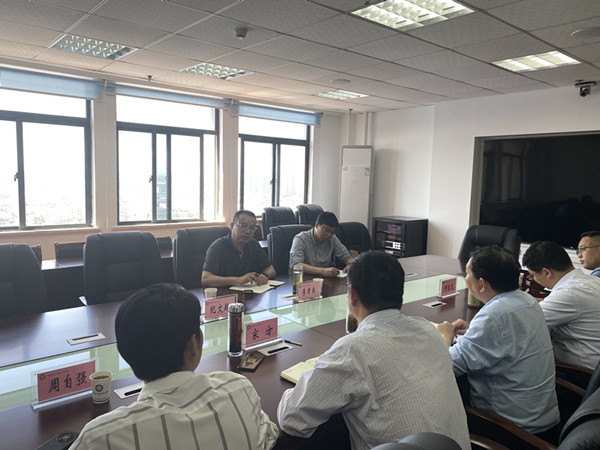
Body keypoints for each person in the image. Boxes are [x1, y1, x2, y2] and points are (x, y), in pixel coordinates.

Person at [278, 251, 471, 450]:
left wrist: (313, 376)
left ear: (351, 294)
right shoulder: (429, 330)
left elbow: (292, 419)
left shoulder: (352, 351)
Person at [70, 283, 278, 450]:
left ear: (125, 351)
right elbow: (268, 434)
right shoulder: (239, 389)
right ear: (193, 345)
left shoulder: (99, 438)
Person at [437, 246, 560, 440]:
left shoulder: (493, 316)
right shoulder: (527, 300)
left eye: (467, 274)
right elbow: (511, 339)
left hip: (511, 429)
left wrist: (444, 337)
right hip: (544, 418)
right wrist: (473, 331)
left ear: (482, 284)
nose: (465, 278)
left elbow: (446, 368)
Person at [523, 240, 600, 370]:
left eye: (533, 276)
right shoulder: (593, 281)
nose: (533, 279)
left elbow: (524, 323)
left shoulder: (569, 294)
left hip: (579, 373)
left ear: (546, 272)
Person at [202, 210, 276, 287]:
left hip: (251, 291)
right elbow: (205, 279)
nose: (247, 231)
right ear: (232, 226)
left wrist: (264, 275)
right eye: (243, 226)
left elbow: (271, 269)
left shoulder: (253, 244)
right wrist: (239, 280)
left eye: (252, 228)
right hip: (225, 292)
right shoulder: (217, 247)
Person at [288, 211, 354, 277]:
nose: (329, 235)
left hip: (324, 280)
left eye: (332, 232)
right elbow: (296, 265)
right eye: (326, 230)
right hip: (303, 280)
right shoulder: (301, 239)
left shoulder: (332, 239)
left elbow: (347, 257)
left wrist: (350, 265)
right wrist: (322, 271)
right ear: (317, 225)